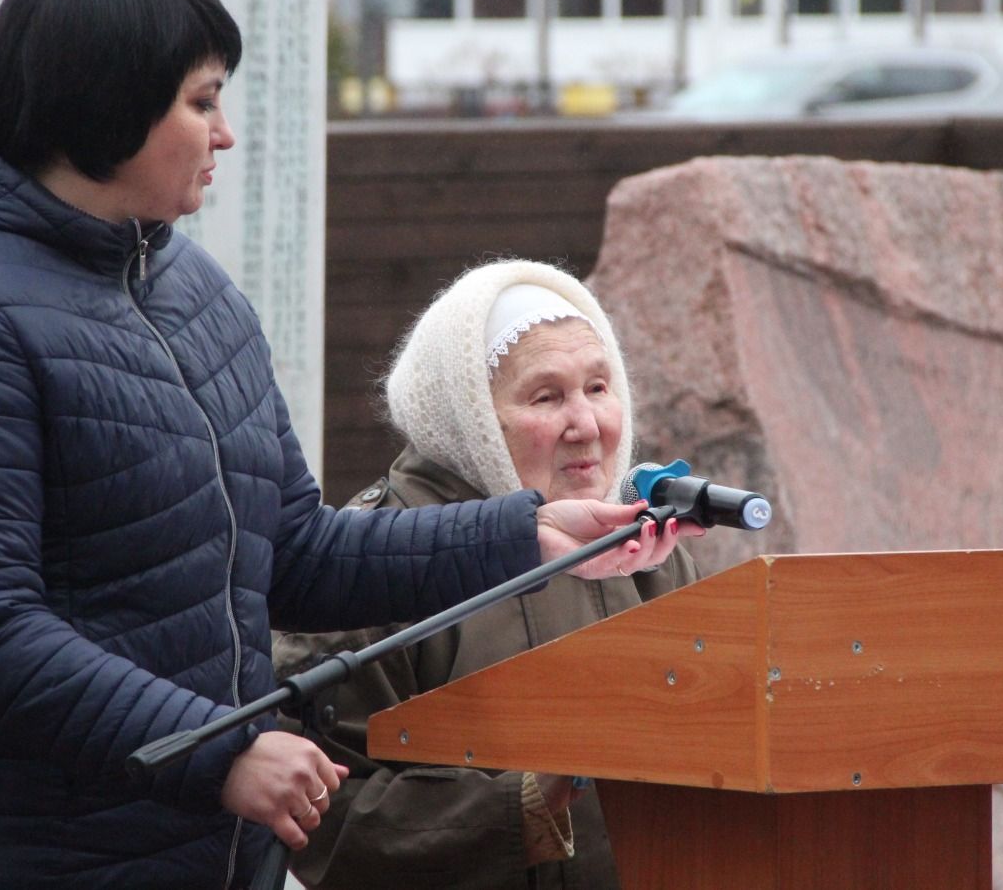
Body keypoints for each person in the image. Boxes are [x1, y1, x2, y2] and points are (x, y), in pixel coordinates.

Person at [0, 0, 688, 890]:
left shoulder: (192, 291)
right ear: (108, 105)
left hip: (191, 853)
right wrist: (219, 753)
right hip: (6, 853)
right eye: (201, 103)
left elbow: (296, 552)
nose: (224, 135)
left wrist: (526, 536)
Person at [274, 260, 701, 890]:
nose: (587, 425)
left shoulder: (649, 550)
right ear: (466, 412)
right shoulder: (375, 562)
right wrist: (520, 807)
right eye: (547, 396)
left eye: (599, 387)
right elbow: (323, 818)